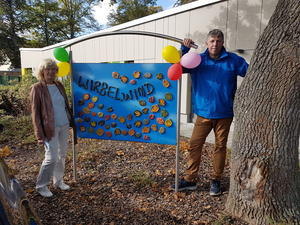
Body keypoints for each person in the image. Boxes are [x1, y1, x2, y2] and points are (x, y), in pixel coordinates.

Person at [173, 29, 248, 196]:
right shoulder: (197, 60)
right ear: (207, 43)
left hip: (224, 113)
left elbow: (252, 75)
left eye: (218, 41)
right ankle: (190, 180)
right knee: (194, 145)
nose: (215, 44)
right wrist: (184, 50)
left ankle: (216, 180)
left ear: (222, 43)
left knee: (220, 147)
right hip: (203, 114)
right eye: (212, 41)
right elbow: (177, 67)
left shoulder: (233, 60)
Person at [30, 58, 74, 197]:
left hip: (64, 125)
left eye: (53, 69)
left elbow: (64, 105)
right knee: (51, 157)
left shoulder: (59, 85)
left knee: (61, 155)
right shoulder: (37, 88)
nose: (51, 72)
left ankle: (58, 181)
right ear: (42, 71)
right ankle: (41, 186)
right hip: (49, 128)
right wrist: (39, 135)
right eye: (48, 69)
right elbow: (35, 113)